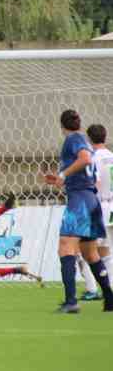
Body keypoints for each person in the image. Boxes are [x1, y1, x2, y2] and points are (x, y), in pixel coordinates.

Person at [43, 110, 113, 313]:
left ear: (61, 125)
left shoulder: (73, 139)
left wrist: (63, 175)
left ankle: (71, 301)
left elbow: (84, 159)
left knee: (65, 248)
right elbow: (85, 168)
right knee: (90, 253)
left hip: (80, 201)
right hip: (91, 200)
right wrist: (60, 180)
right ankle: (109, 298)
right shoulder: (85, 141)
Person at [76, 124, 113, 301]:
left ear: (89, 139)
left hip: (97, 208)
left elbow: (94, 184)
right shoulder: (111, 157)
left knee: (81, 250)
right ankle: (109, 288)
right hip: (111, 206)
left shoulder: (93, 158)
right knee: (106, 251)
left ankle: (92, 289)